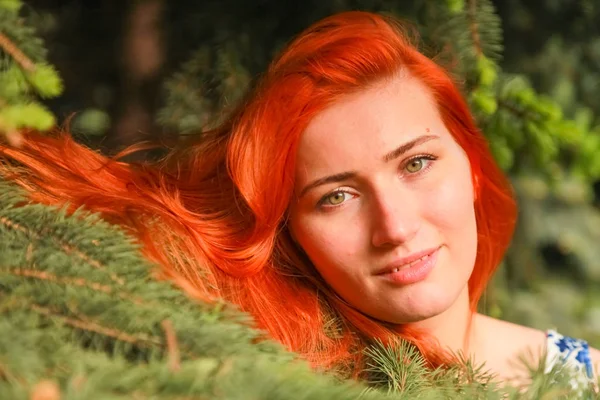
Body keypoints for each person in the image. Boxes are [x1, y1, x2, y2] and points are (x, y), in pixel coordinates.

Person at [0, 10, 598, 389]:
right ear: (290, 230)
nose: (393, 227)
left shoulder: (585, 377)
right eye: (335, 196)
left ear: (469, 166)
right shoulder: (258, 374)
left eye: (416, 163)